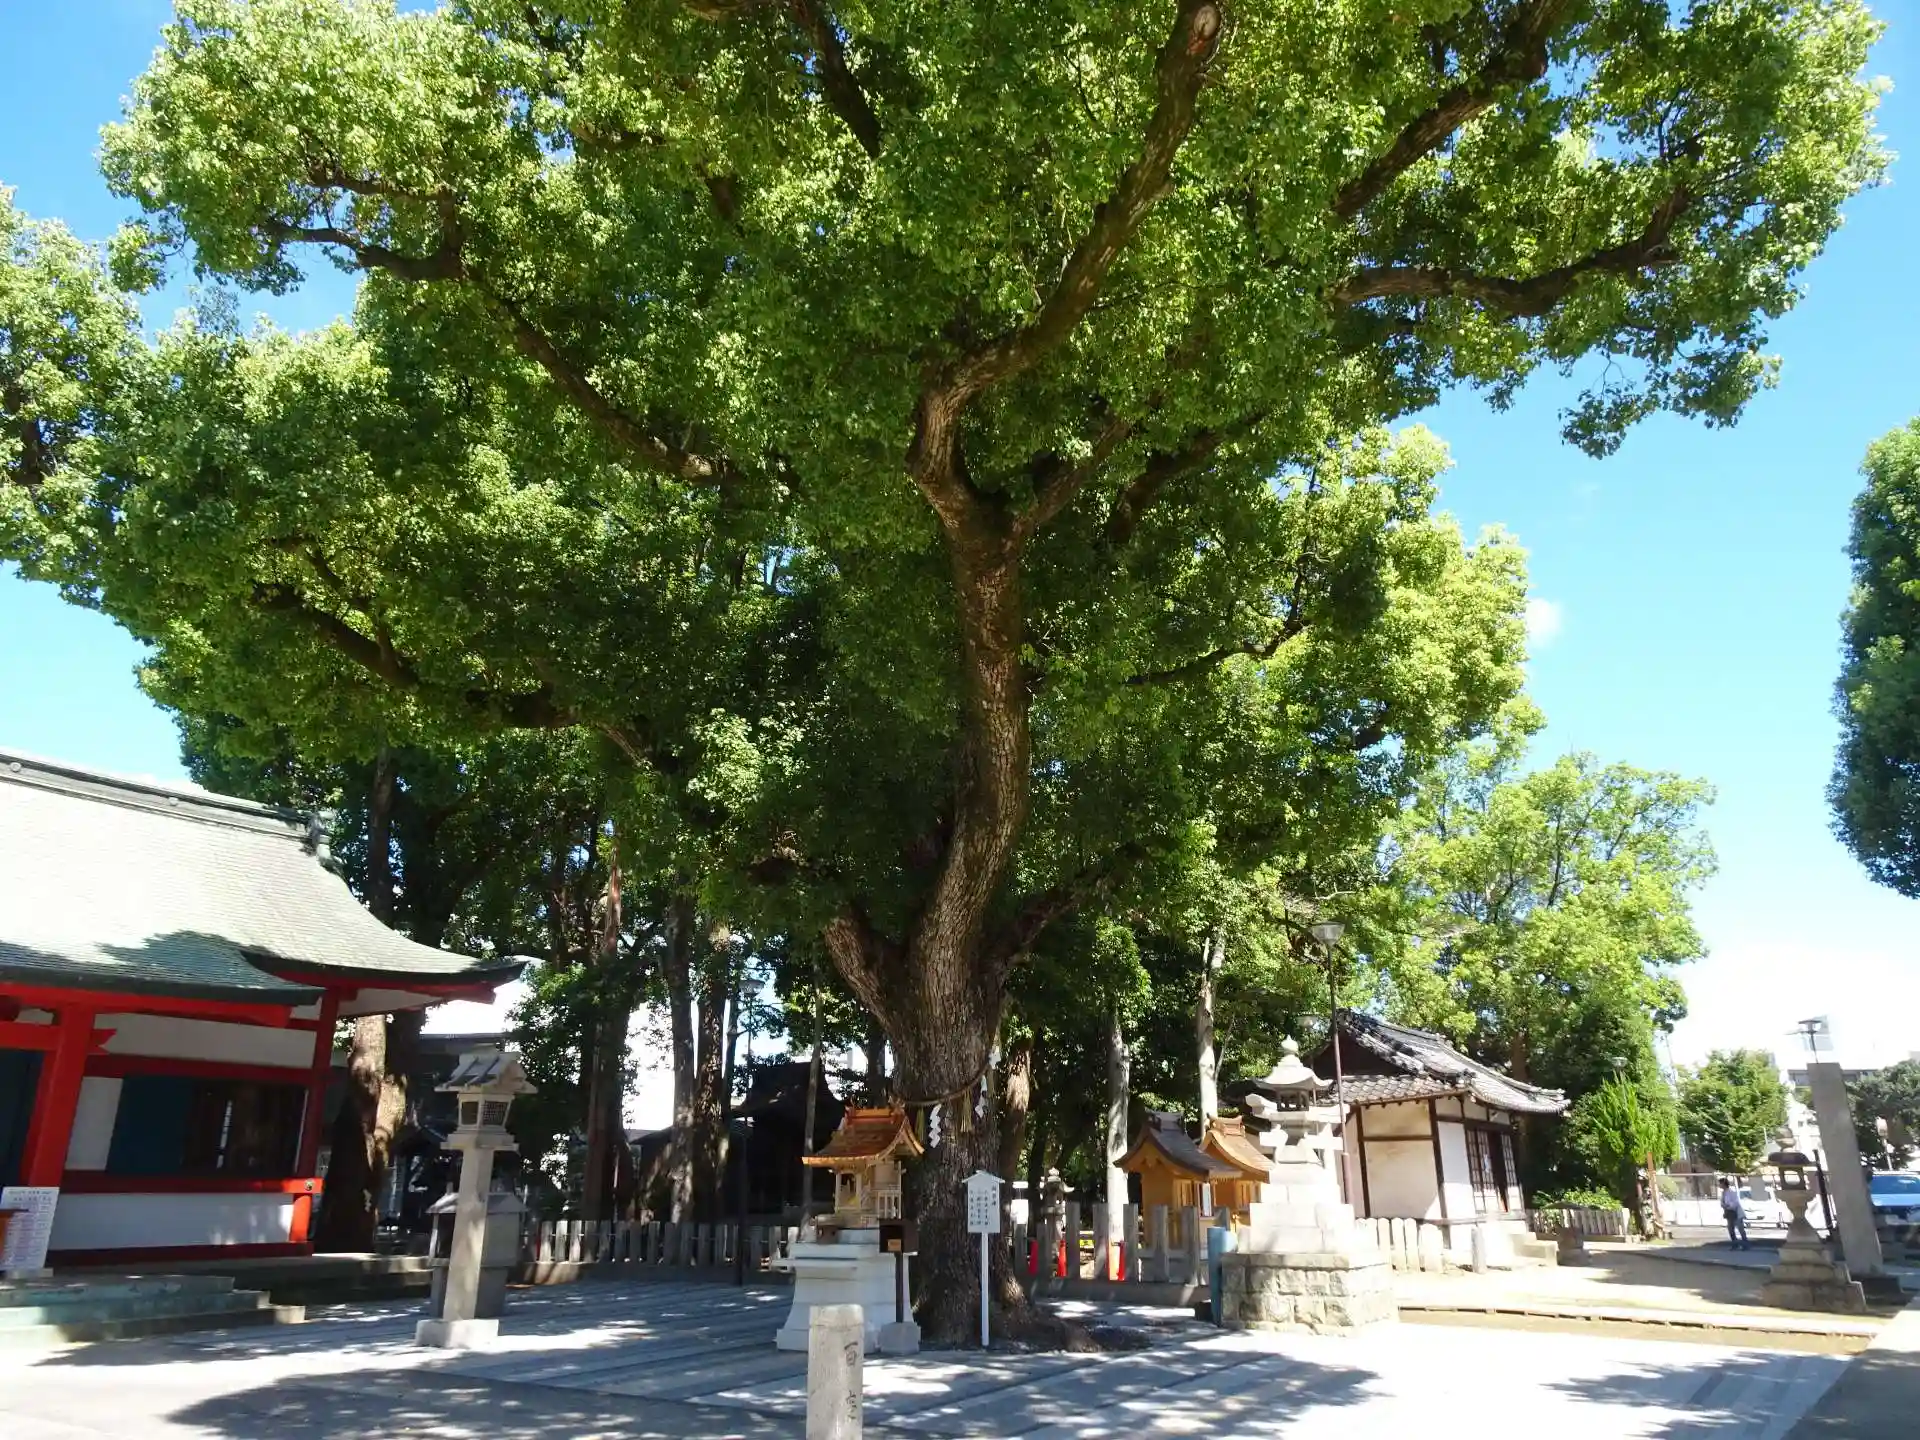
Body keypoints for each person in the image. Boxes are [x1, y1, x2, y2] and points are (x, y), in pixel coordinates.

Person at [1721, 1178, 1750, 1250]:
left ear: (1724, 1184)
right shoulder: (1723, 1193)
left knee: (1740, 1229)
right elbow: (1722, 1202)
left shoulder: (1731, 1192)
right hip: (1729, 1213)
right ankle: (1735, 1244)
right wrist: (1724, 1205)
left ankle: (1745, 1245)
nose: (1719, 1185)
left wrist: (1728, 1205)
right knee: (1731, 1229)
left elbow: (1735, 1203)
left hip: (1736, 1213)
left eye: (1720, 1183)